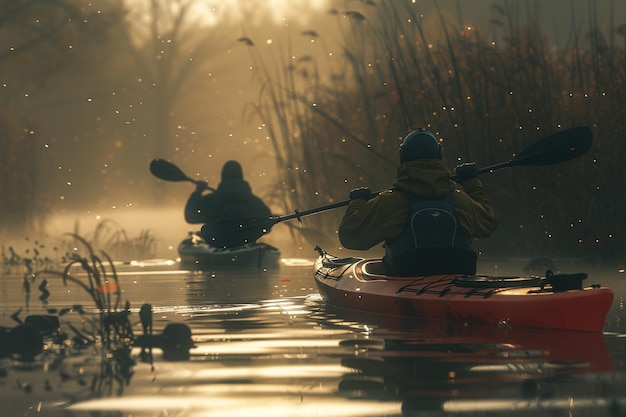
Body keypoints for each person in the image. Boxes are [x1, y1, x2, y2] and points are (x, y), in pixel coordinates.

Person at [338, 128, 497, 276]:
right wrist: (472, 183)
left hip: (407, 276)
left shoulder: (391, 202)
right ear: (439, 156)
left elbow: (349, 236)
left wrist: (357, 202)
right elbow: (488, 223)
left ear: (403, 156)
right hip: (459, 275)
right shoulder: (459, 199)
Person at [184, 160, 271, 246]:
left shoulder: (212, 200)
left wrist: (198, 191)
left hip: (217, 244)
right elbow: (267, 227)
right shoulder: (254, 202)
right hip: (245, 244)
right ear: (241, 176)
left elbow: (190, 216)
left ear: (223, 177)